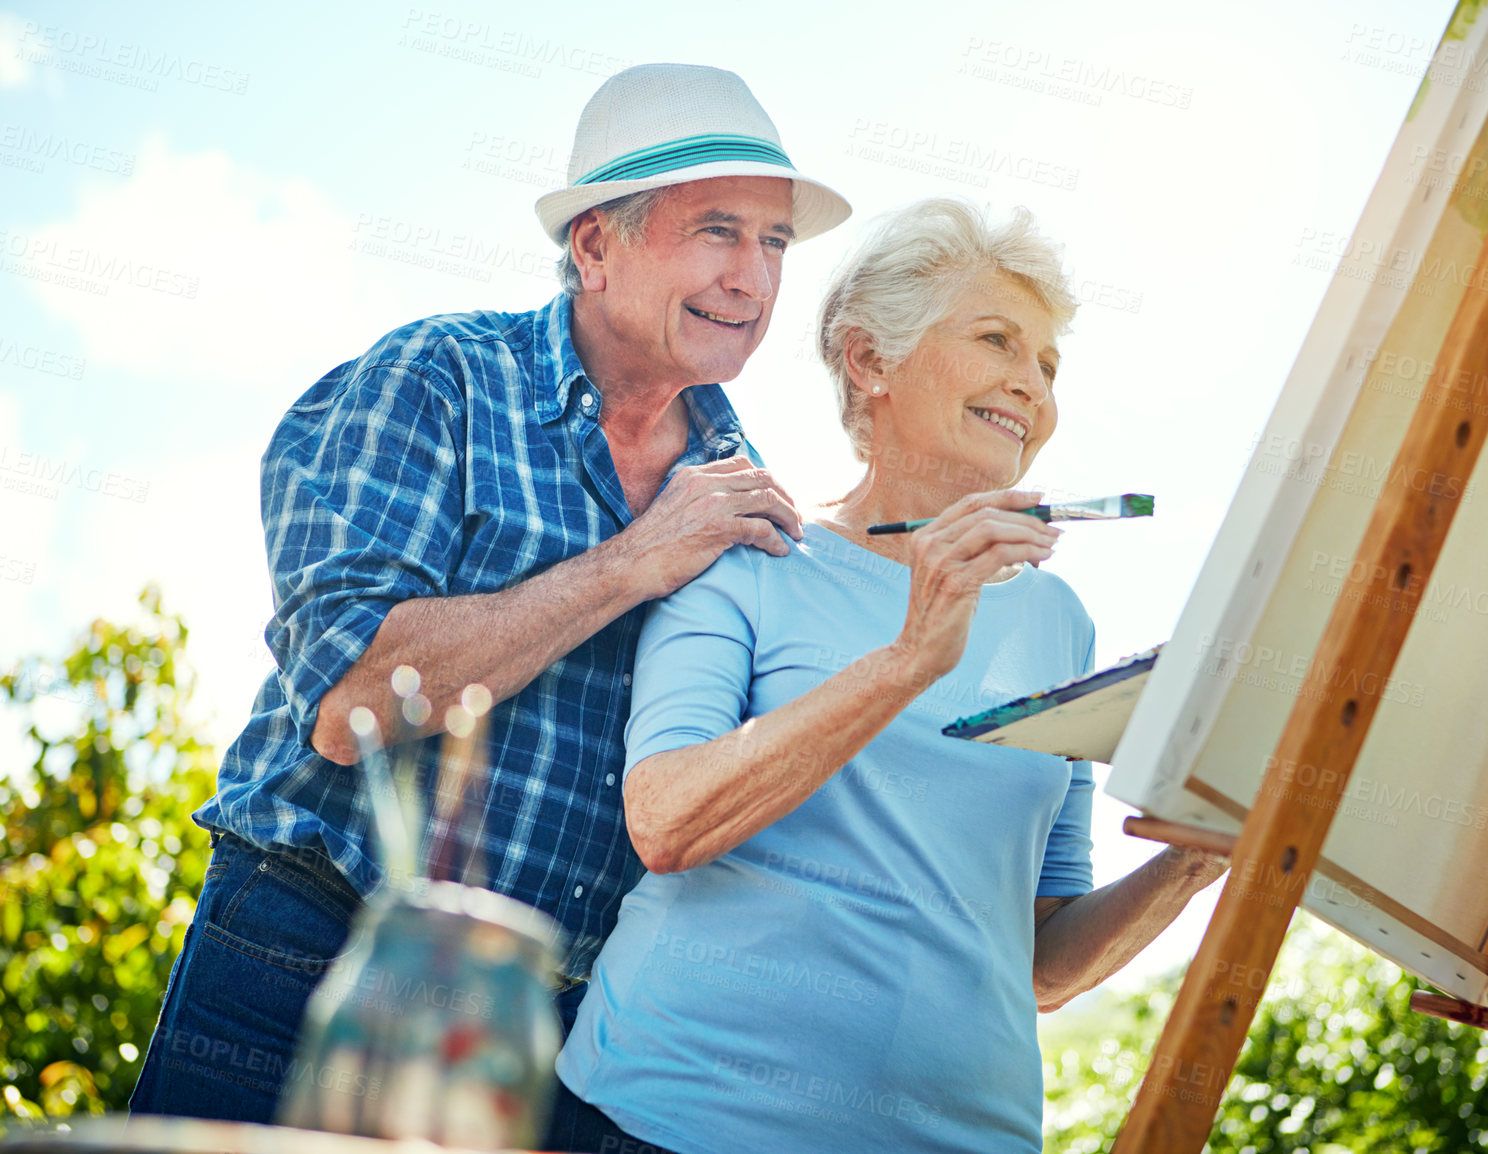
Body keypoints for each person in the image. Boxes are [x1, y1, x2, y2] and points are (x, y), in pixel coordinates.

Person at [128, 63, 850, 1124]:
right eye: (717, 231)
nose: (753, 278)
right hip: (314, 943)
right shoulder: (438, 377)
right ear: (594, 246)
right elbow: (354, 704)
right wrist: (627, 564)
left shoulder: (738, 494)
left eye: (774, 242)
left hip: (541, 1018)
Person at [549, 199, 1228, 1154]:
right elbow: (665, 820)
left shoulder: (1058, 623)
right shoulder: (749, 557)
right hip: (672, 1121)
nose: (1030, 384)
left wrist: (1202, 852)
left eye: (1047, 364)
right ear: (870, 361)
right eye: (998, 340)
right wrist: (909, 659)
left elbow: (1040, 963)